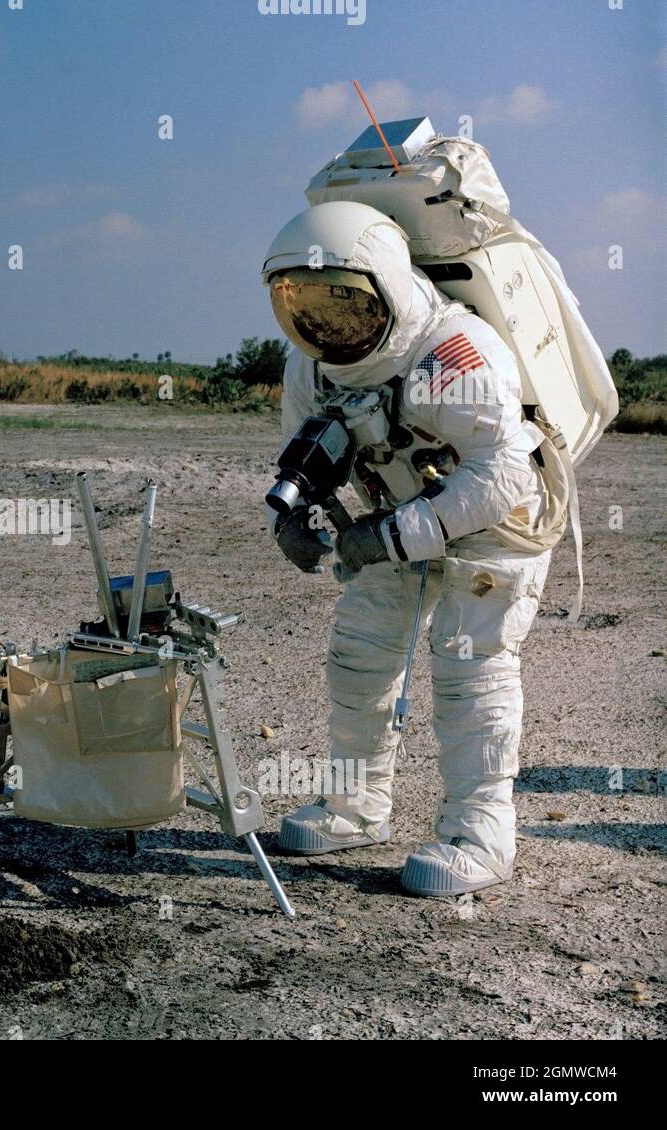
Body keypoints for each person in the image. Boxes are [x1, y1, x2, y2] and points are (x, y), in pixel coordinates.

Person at [261, 200, 556, 896]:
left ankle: (480, 835)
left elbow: (504, 473)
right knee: (360, 655)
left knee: (469, 666)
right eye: (301, 304)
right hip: (393, 516)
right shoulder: (315, 367)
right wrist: (292, 517)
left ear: (389, 286)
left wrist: (390, 535)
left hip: (495, 522)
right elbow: (305, 448)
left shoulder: (456, 354)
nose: (329, 325)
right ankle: (355, 806)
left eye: (347, 305)